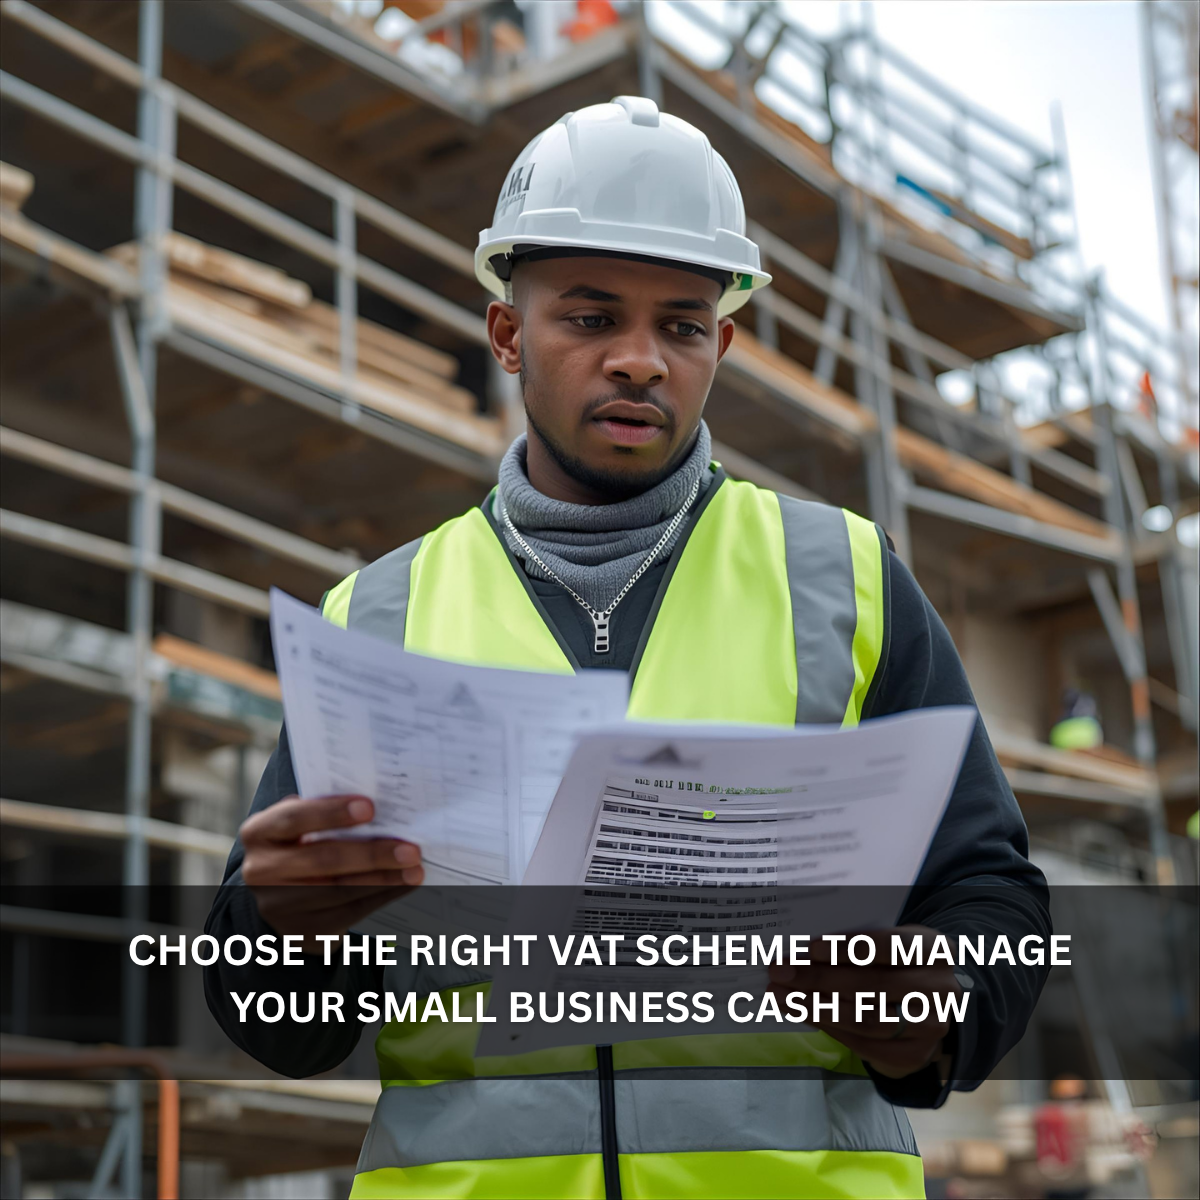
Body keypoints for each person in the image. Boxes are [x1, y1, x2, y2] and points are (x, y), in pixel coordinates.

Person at [206, 96, 1051, 1199]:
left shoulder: (843, 580)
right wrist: (276, 932)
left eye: (682, 325)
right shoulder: (380, 617)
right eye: (592, 319)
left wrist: (930, 1010)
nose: (641, 361)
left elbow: (993, 898)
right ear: (510, 332)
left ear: (723, 345)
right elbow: (286, 1019)